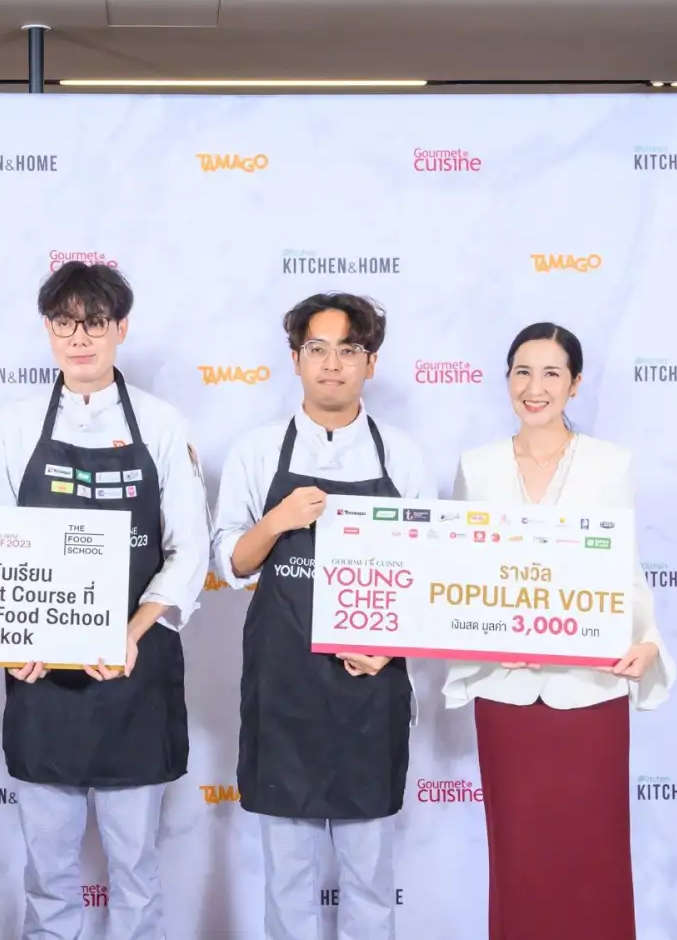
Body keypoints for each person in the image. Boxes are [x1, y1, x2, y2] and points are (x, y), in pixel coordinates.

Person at [0, 260, 210, 940]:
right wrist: (14, 640)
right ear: (48, 331)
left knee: (136, 871)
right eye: (64, 324)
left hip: (134, 676)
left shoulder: (163, 424)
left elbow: (189, 550)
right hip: (41, 682)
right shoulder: (13, 427)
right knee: (48, 874)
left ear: (121, 329)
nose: (79, 339)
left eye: (95, 323)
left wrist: (131, 633)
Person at [211, 292, 436, 940]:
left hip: (370, 692)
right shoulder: (258, 451)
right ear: (295, 359)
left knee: (369, 878)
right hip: (284, 689)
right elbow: (232, 561)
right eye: (317, 349)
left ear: (370, 362)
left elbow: (429, 571)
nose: (332, 364)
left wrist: (391, 648)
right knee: (287, 878)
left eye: (348, 350)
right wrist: (277, 520)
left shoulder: (402, 456)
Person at [443, 321, 676, 940]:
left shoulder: (610, 464)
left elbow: (625, 571)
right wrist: (486, 636)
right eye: (523, 371)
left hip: (591, 691)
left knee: (595, 854)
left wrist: (648, 642)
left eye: (551, 373)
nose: (535, 387)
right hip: (507, 694)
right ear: (507, 380)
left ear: (574, 384)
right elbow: (461, 573)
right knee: (517, 857)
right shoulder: (477, 467)